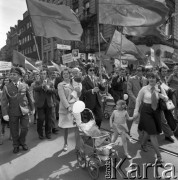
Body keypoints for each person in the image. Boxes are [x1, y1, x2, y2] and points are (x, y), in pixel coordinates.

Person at [133, 72, 168, 163]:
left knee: (149, 131)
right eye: (150, 77)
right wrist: (136, 111)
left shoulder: (160, 88)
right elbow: (138, 100)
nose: (151, 79)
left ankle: (143, 144)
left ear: (156, 79)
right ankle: (159, 156)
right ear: (148, 79)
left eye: (153, 77)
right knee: (153, 133)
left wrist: (161, 96)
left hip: (156, 112)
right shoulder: (144, 89)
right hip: (146, 111)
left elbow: (166, 99)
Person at [1, 67, 34, 153]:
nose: (12, 76)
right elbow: (4, 102)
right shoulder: (6, 87)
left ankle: (22, 142)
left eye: (14, 74)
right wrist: (5, 114)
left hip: (24, 110)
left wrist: (32, 108)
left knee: (25, 128)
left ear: (19, 76)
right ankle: (16, 145)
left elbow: (29, 98)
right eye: (11, 74)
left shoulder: (24, 85)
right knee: (14, 130)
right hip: (13, 112)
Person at [58, 68, 81, 151]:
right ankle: (65, 143)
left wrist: (78, 91)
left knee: (77, 126)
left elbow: (78, 95)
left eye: (67, 73)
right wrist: (68, 107)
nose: (66, 75)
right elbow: (62, 97)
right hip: (66, 108)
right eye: (64, 74)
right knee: (66, 127)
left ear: (70, 74)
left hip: (76, 107)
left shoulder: (75, 83)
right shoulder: (60, 84)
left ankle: (77, 145)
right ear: (62, 75)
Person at [33, 70, 56, 140]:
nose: (43, 75)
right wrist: (42, 86)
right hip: (40, 104)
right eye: (41, 74)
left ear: (46, 75)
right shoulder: (37, 82)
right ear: (40, 75)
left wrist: (48, 88)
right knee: (41, 119)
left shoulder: (50, 82)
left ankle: (48, 133)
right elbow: (35, 89)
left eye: (44, 74)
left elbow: (53, 91)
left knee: (48, 120)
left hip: (49, 104)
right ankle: (40, 133)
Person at [127, 66, 147, 136]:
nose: (137, 71)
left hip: (143, 103)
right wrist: (136, 100)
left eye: (139, 70)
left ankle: (140, 132)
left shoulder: (145, 79)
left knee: (142, 118)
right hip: (133, 102)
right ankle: (127, 131)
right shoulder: (131, 79)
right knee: (130, 117)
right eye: (137, 70)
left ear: (143, 72)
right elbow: (129, 91)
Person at [82, 63, 103, 128]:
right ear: (87, 71)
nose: (92, 72)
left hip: (97, 102)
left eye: (93, 70)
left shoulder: (96, 78)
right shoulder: (84, 80)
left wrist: (103, 85)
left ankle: (97, 130)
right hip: (89, 103)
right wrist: (92, 91)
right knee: (90, 120)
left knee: (99, 118)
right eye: (90, 70)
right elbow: (83, 92)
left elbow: (102, 88)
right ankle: (90, 134)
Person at [158, 67, 175, 143]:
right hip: (157, 101)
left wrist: (170, 90)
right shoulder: (158, 78)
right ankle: (147, 136)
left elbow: (166, 88)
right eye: (163, 71)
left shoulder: (165, 78)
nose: (164, 72)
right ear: (160, 72)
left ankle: (167, 135)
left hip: (164, 101)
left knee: (164, 119)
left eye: (165, 71)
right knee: (157, 119)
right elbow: (161, 88)